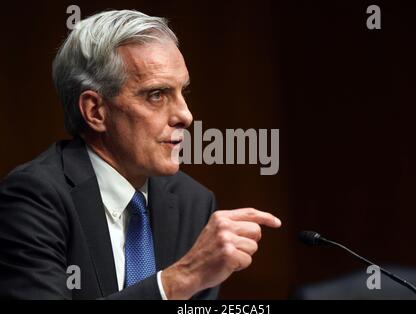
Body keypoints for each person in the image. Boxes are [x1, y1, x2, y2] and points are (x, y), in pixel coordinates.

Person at [0, 9, 281, 299]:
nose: (185, 115)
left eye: (182, 92)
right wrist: (176, 282)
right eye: (157, 95)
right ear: (96, 111)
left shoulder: (193, 203)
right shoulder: (34, 197)